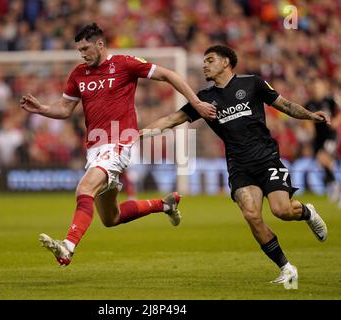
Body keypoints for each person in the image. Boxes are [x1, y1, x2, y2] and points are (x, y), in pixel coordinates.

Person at [20, 23, 215, 266]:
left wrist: (195, 102)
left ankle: (67, 246)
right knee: (111, 218)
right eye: (79, 50)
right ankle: (164, 204)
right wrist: (42, 109)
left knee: (84, 189)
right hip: (94, 148)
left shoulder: (125, 64)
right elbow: (64, 109)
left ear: (100, 44)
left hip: (118, 142)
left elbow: (169, 75)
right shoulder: (79, 74)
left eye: (86, 48)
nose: (82, 54)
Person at [140, 45, 329, 284]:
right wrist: (138, 134)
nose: (204, 65)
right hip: (239, 166)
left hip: (266, 158)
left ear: (226, 62)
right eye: (204, 61)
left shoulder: (253, 84)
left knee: (281, 210)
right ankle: (286, 268)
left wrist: (311, 116)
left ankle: (307, 212)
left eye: (210, 60)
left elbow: (286, 105)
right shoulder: (204, 99)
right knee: (251, 214)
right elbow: (171, 119)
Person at [305, 79, 341, 209]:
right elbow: (304, 119)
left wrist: (337, 121)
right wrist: (308, 127)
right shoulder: (309, 104)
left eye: (318, 87)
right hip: (318, 138)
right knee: (322, 163)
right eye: (313, 87)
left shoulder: (331, 99)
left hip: (331, 135)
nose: (316, 90)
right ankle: (334, 188)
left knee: (323, 158)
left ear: (324, 88)